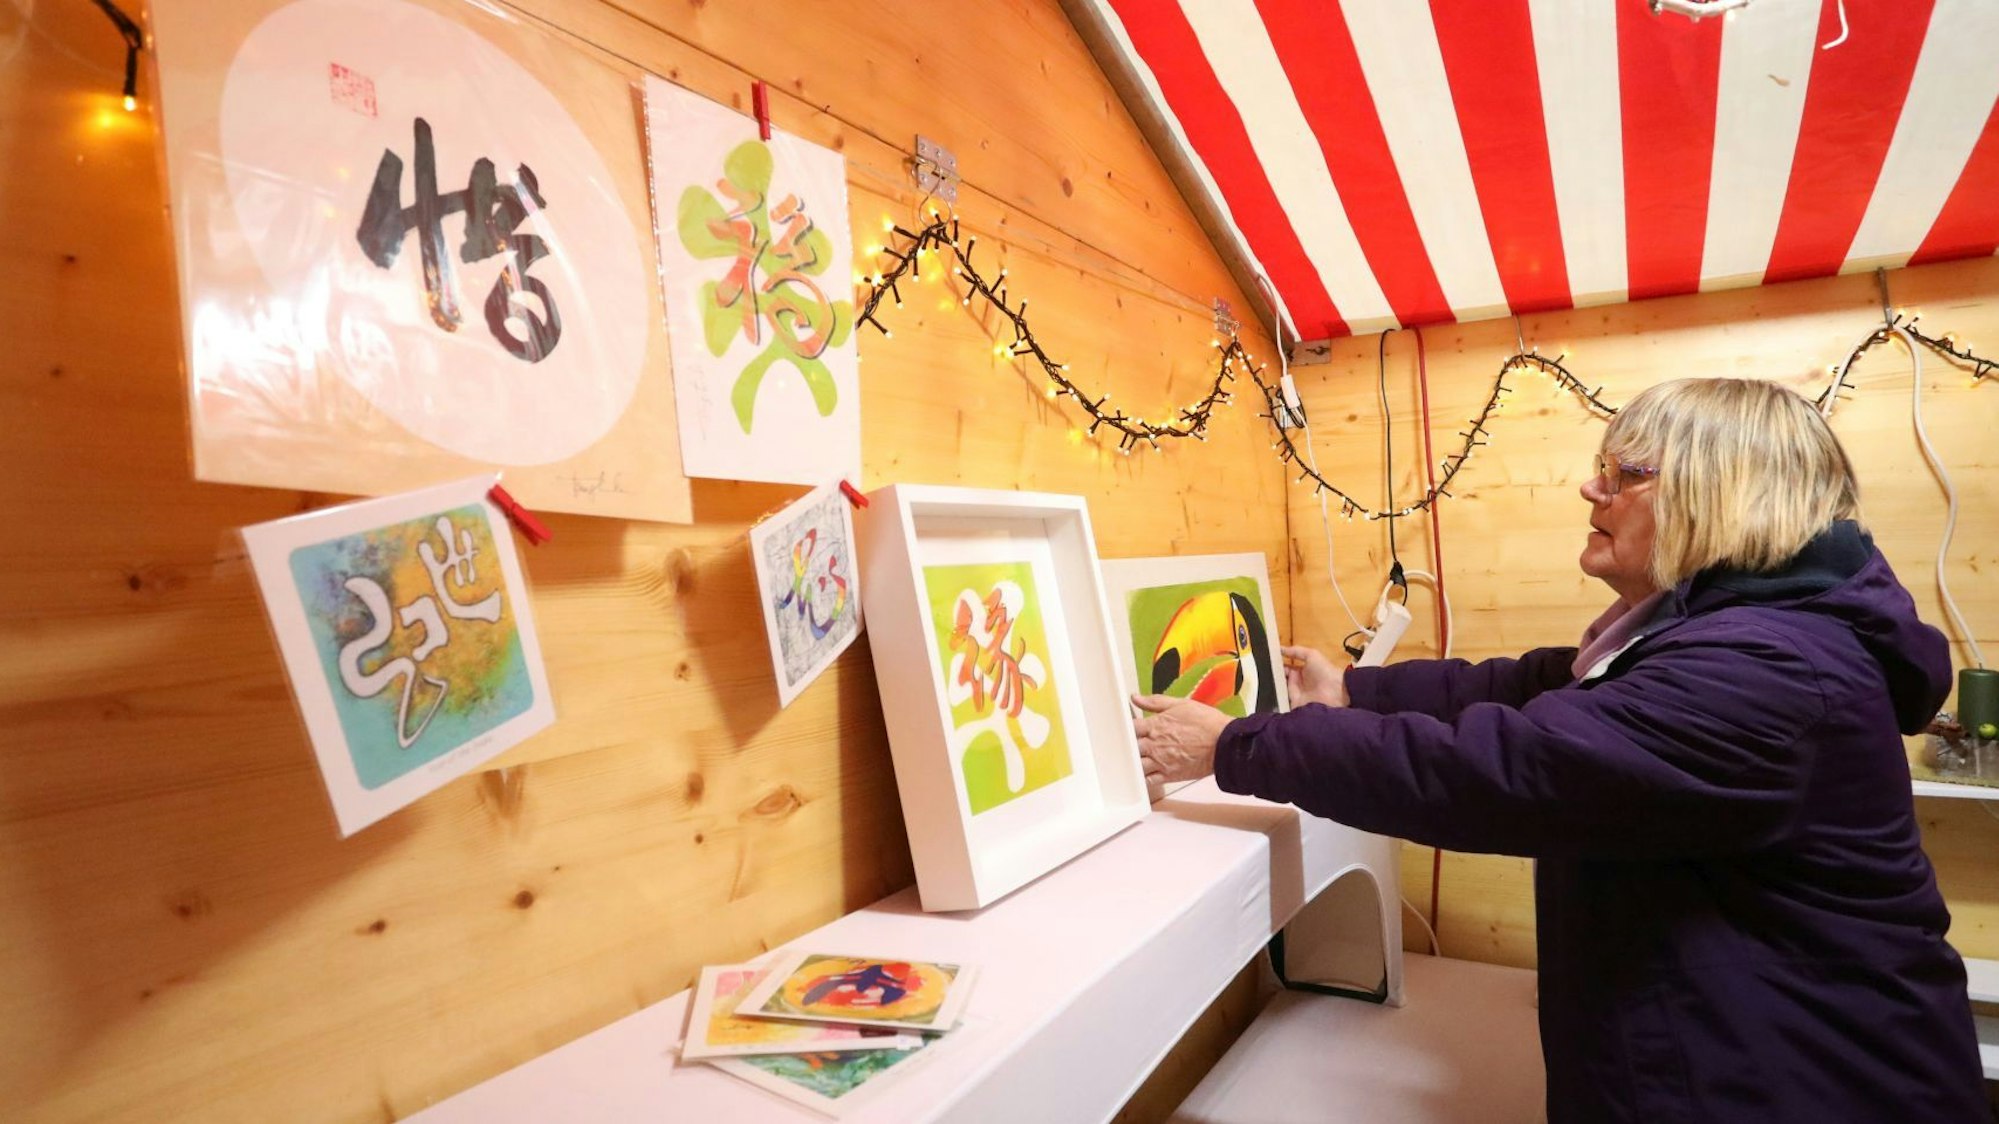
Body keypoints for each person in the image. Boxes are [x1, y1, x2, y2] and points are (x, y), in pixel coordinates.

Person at [1134, 377, 1986, 1122]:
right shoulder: (1742, 633)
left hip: (1796, 1087)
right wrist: (1357, 690)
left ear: (1720, 493)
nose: (1591, 488)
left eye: (1625, 474)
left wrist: (1236, 744)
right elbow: (1539, 686)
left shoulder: (1770, 672)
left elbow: (1506, 770)